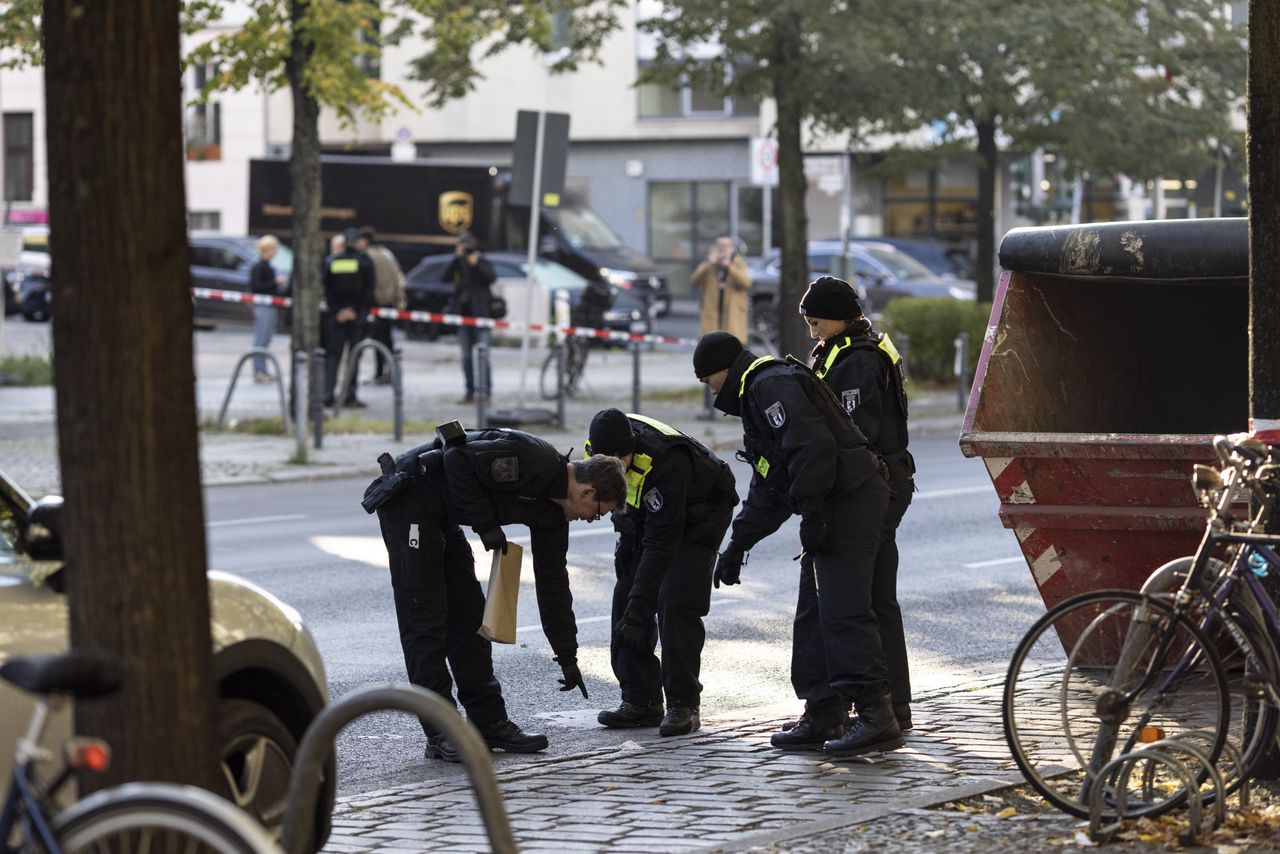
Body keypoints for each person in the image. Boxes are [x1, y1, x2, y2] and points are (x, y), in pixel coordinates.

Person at [692, 330, 902, 758]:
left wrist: (814, 512)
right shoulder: (756, 395)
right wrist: (738, 544)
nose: (708, 388)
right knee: (814, 614)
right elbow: (771, 483)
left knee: (843, 610)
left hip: (849, 500)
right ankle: (824, 711)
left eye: (707, 378)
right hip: (832, 502)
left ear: (722, 369)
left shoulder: (769, 384)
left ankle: (877, 716)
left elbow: (813, 450)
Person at [366, 427, 628, 762]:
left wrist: (567, 655)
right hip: (411, 501)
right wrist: (486, 526)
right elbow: (457, 459)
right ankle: (441, 733)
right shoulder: (534, 460)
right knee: (425, 625)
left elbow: (554, 585)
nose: (592, 520)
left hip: (443, 516)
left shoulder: (554, 515)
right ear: (589, 492)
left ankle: (490, 725)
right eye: (599, 512)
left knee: (471, 624)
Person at [800, 276, 915, 732]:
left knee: (854, 602)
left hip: (872, 487)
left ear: (840, 317)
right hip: (888, 481)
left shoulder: (857, 360)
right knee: (877, 598)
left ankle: (872, 708)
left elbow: (852, 433)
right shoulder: (854, 348)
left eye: (816, 322)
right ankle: (894, 705)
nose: (812, 332)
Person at [585, 409, 739, 736]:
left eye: (622, 459)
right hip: (650, 522)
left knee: (675, 599)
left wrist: (643, 604)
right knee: (625, 595)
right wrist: (627, 547)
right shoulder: (596, 454)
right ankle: (641, 700)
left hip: (700, 513)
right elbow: (623, 502)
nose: (618, 466)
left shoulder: (667, 461)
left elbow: (662, 543)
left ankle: (684, 704)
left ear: (632, 448)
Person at [322, 228, 374, 408]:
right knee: (353, 357)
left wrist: (338, 310)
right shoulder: (365, 262)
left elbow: (327, 289)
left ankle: (328, 394)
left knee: (333, 356)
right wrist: (356, 311)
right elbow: (368, 290)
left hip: (337, 316)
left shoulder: (334, 261)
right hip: (356, 316)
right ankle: (350, 396)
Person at [443, 233, 497, 404]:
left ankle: (486, 393)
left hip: (481, 316)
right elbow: (444, 277)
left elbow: (491, 278)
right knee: (466, 357)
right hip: (463, 317)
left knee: (484, 356)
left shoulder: (482, 262)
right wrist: (456, 259)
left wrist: (476, 264)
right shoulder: (458, 263)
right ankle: (470, 392)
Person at [354, 226, 405, 385]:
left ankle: (379, 373)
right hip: (389, 303)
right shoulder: (387, 253)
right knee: (386, 340)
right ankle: (389, 372)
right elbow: (398, 278)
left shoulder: (367, 256)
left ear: (364, 241)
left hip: (375, 303)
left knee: (375, 341)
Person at [691, 236, 752, 344]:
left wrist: (729, 267)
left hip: (732, 314)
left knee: (732, 345)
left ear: (732, 248)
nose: (722, 249)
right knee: (711, 345)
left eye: (725, 246)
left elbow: (746, 282)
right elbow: (695, 280)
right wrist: (708, 264)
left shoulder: (738, 262)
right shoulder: (709, 264)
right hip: (712, 314)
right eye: (719, 246)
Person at [249, 235, 285, 384]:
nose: (274, 252)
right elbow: (257, 287)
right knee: (260, 340)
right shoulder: (259, 267)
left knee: (266, 339)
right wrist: (275, 282)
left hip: (270, 305)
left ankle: (262, 370)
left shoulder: (268, 266)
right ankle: (259, 371)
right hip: (264, 305)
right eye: (273, 249)